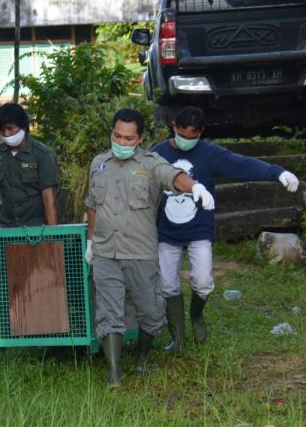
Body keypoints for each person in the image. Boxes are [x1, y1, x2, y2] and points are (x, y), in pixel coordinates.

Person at [84, 108, 216, 387]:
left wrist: (195, 188)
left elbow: (173, 176)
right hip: (106, 253)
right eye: (117, 136)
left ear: (140, 138)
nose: (121, 142)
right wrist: (91, 241)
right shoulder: (98, 163)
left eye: (128, 139)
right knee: (109, 313)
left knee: (151, 313)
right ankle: (114, 373)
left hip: (141, 254)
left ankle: (141, 360)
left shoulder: (151, 163)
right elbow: (92, 205)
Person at [151, 107, 299, 352]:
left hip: (199, 228)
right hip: (167, 231)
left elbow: (242, 164)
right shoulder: (158, 153)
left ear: (202, 132)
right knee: (167, 285)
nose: (188, 141)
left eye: (193, 137)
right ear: (174, 127)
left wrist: (276, 172)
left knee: (203, 281)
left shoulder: (210, 153)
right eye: (183, 135)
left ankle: (197, 315)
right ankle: (177, 338)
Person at [0, 103, 58, 226]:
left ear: (24, 127)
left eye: (10, 128)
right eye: (2, 130)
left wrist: (53, 236)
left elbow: (48, 197)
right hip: (7, 229)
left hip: (36, 230)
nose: (6, 134)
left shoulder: (42, 155)